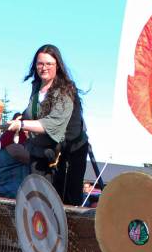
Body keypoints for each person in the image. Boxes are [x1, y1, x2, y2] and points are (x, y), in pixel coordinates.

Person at [7, 45, 90, 205]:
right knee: (38, 200)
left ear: (57, 65)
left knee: (63, 204)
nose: (44, 68)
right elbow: (32, 114)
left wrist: (22, 124)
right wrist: (19, 121)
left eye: (48, 64)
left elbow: (52, 124)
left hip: (68, 154)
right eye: (40, 63)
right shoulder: (37, 88)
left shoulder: (66, 90)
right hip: (42, 151)